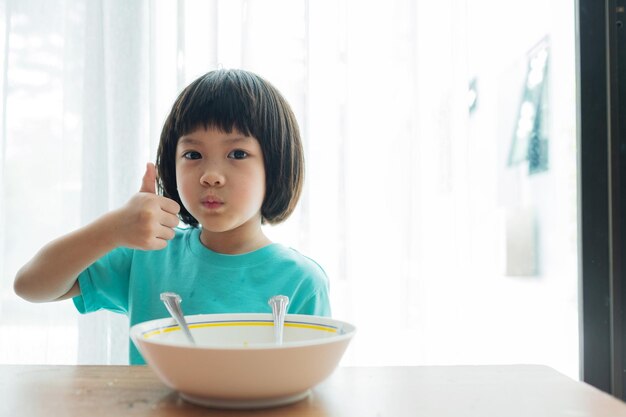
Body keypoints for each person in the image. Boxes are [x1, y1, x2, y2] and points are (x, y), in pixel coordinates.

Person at [13, 69, 331, 365]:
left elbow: (312, 387)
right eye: (193, 155)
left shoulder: (302, 283)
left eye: (237, 154)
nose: (211, 176)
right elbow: (30, 285)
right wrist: (113, 229)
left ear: (275, 166)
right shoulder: (148, 257)